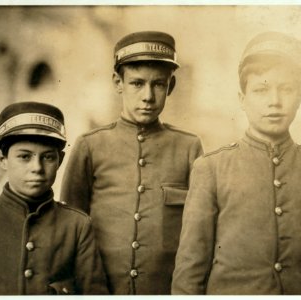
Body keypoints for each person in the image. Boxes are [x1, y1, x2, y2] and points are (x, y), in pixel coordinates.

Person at [171, 31, 301, 295]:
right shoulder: (211, 169)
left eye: (285, 89)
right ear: (242, 100)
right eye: (261, 89)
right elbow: (189, 275)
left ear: (299, 98)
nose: (274, 101)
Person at [60, 31, 204, 295]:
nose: (148, 96)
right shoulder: (90, 145)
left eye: (158, 84)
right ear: (118, 82)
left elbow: (197, 235)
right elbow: (70, 228)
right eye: (137, 83)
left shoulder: (189, 148)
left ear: (170, 86)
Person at [0, 101, 108, 295]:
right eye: (25, 157)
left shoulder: (77, 226)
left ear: (59, 161)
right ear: (2, 159)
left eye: (48, 157)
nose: (37, 167)